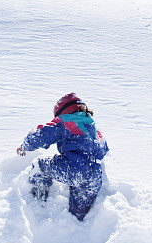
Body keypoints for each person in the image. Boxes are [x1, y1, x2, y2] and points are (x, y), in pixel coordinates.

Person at [17, 93, 109, 221]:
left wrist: (25, 145)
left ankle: (37, 201)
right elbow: (104, 148)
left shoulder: (66, 122)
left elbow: (42, 135)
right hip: (94, 176)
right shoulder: (93, 127)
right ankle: (78, 225)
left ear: (63, 111)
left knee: (40, 165)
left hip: (73, 169)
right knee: (78, 215)